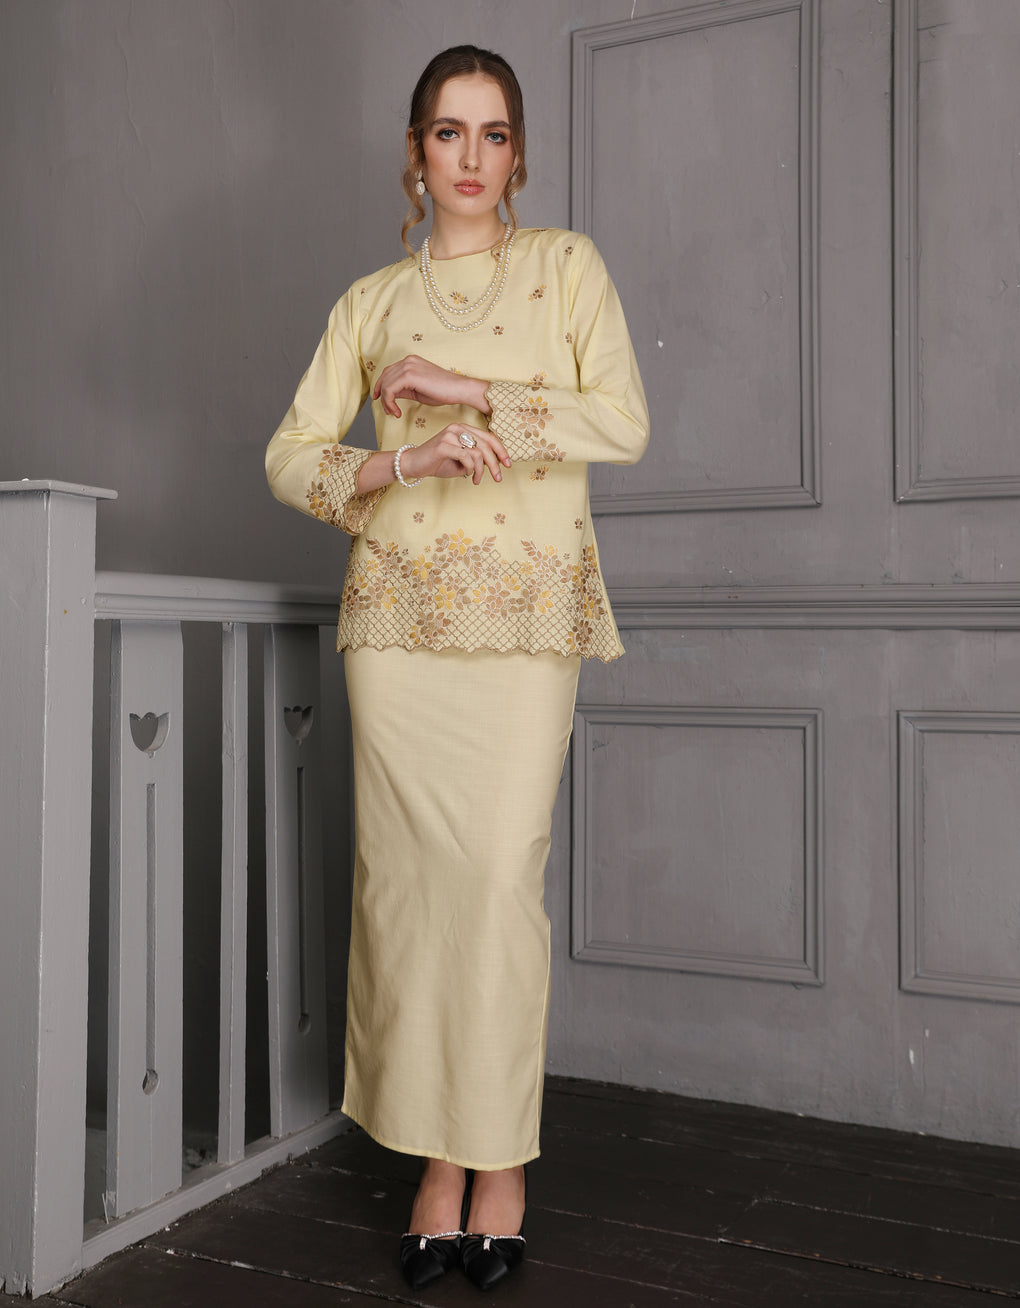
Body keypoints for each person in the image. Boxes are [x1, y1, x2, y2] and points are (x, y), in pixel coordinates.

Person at [265, 44, 648, 1292]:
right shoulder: (370, 300)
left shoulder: (567, 268)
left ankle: (502, 1158)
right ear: (415, 153)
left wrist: (466, 393)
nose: (470, 157)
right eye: (447, 132)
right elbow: (291, 455)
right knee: (413, 892)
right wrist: (401, 460)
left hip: (527, 621)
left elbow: (622, 421)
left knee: (494, 883)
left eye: (493, 134)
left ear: (518, 154)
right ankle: (438, 1161)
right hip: (399, 626)